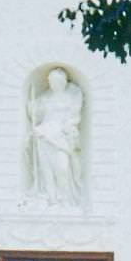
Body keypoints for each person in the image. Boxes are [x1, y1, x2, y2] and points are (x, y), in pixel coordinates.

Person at [28, 68, 83, 203]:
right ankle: (51, 198)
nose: (52, 84)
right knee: (46, 168)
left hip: (61, 134)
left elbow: (74, 116)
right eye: (50, 81)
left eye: (55, 81)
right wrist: (32, 106)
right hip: (44, 132)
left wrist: (68, 128)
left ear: (62, 82)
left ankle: (65, 198)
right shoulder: (45, 97)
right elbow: (36, 113)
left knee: (62, 167)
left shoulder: (72, 96)